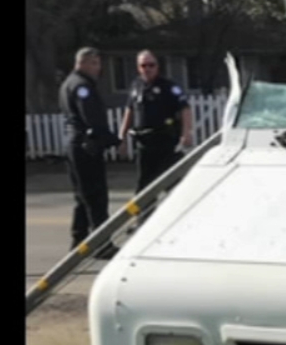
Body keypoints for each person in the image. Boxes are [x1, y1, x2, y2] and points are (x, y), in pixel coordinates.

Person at [119, 50, 193, 227]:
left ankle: (181, 220)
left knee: (173, 183)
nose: (147, 69)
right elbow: (129, 111)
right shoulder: (136, 86)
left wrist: (186, 133)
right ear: (138, 68)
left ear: (157, 66)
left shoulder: (168, 86)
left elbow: (185, 109)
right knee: (145, 185)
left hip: (166, 142)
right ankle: (144, 222)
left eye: (151, 65)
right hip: (144, 143)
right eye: (143, 65)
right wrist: (121, 137)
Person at [58, 47, 119, 259]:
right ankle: (103, 244)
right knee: (96, 197)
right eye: (94, 63)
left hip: (73, 144)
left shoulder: (68, 83)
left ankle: (79, 240)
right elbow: (92, 118)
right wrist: (112, 139)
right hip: (86, 145)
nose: (98, 68)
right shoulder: (83, 86)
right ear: (83, 63)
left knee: (82, 196)